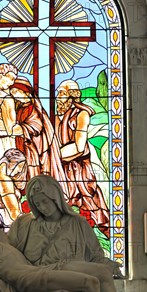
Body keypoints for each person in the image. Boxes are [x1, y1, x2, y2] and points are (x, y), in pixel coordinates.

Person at [8, 174, 145, 292]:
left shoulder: (78, 223)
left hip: (65, 271)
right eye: (37, 204)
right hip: (41, 273)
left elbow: (96, 255)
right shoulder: (25, 224)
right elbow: (9, 252)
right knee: (99, 274)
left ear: (55, 197)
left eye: (45, 201)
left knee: (102, 272)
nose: (42, 207)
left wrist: (108, 264)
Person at [54, 79, 110, 238]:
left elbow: (79, 146)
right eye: (58, 93)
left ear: (72, 96)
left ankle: (104, 234)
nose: (58, 96)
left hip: (79, 169)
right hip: (61, 169)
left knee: (90, 202)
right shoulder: (57, 115)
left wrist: (55, 156)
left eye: (62, 93)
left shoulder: (82, 114)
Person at [10, 77, 67, 191]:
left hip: (35, 146)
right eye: (12, 93)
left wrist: (20, 129)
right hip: (24, 145)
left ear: (26, 93)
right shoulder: (20, 108)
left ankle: (36, 194)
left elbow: (36, 126)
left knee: (34, 168)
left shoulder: (33, 108)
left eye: (16, 92)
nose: (14, 95)